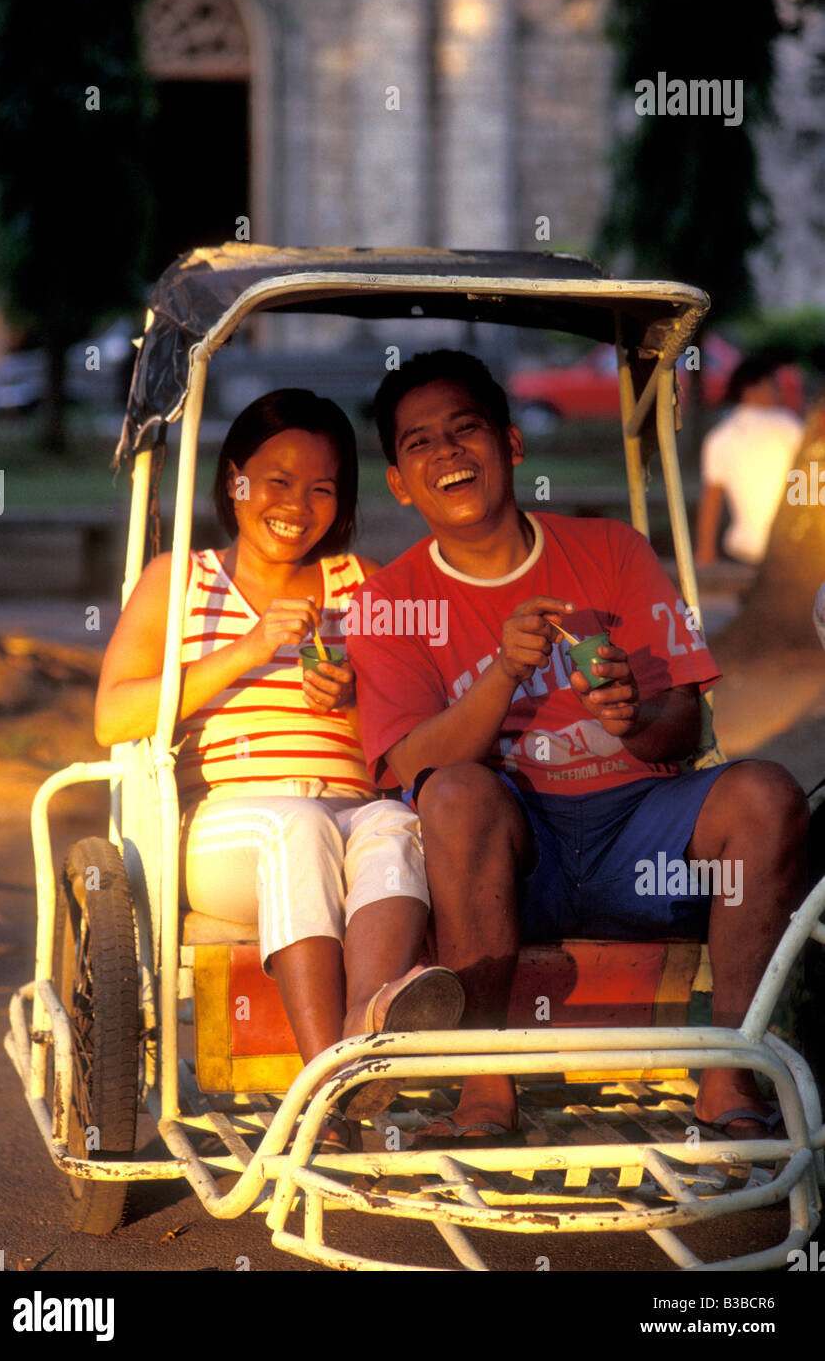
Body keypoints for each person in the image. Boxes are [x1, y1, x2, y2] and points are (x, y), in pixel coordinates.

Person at [345, 349, 808, 1146]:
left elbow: (686, 726)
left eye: (467, 430)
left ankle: (731, 1078)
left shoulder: (611, 552)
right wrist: (499, 676)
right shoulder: (387, 601)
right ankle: (486, 1090)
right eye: (419, 443)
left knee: (765, 793)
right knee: (455, 792)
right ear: (398, 480)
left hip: (642, 831)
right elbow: (416, 768)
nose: (447, 453)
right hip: (516, 861)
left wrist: (634, 718)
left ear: (512, 446)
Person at [94, 389, 464, 1149]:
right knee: (294, 827)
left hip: (351, 805)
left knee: (397, 823)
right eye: (276, 480)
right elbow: (113, 715)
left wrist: (359, 700)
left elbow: (410, 732)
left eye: (323, 488)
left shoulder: (359, 583)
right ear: (234, 481)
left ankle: (364, 1037)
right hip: (228, 826)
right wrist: (250, 648)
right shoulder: (181, 580)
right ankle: (324, 1077)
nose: (298, 504)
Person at [696, 355, 803, 567]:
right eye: (772, 384)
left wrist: (705, 551)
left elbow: (711, 499)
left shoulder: (719, 436)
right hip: (788, 548)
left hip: (742, 550)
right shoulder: (789, 426)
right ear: (750, 389)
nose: (777, 391)